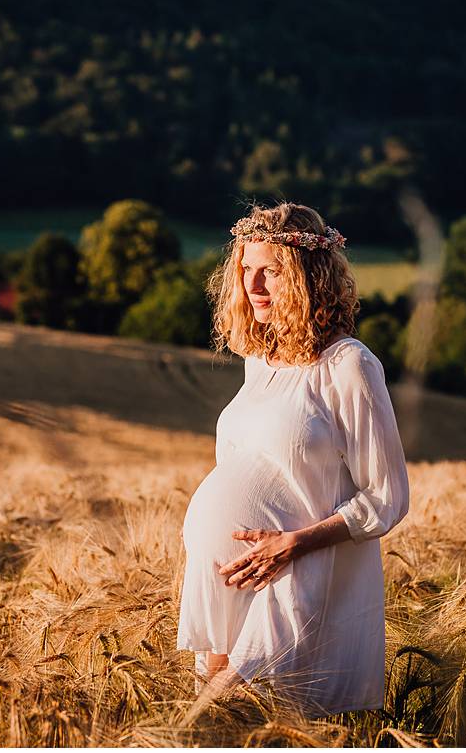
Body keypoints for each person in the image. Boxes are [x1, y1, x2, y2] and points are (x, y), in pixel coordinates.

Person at [176, 201, 411, 719]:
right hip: (226, 577)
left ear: (309, 276)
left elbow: (387, 496)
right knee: (221, 730)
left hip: (293, 578)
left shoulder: (349, 365)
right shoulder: (257, 361)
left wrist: (293, 543)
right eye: (245, 270)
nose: (253, 286)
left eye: (271, 272)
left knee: (246, 720)